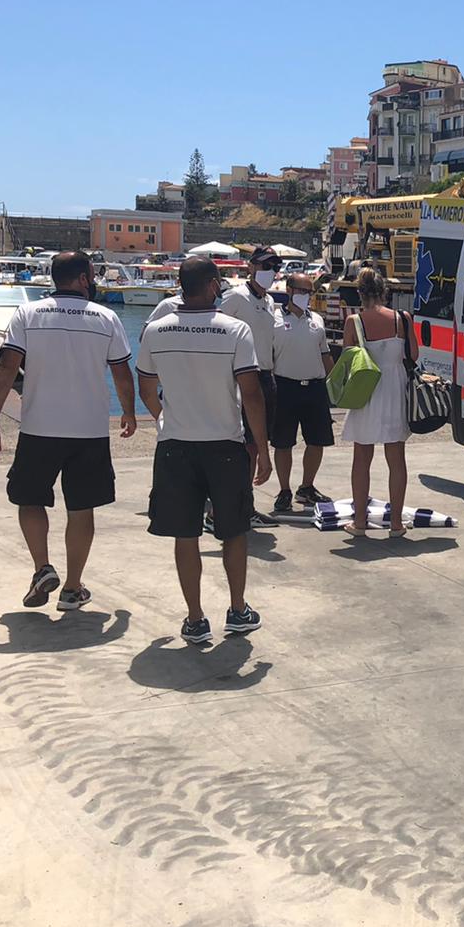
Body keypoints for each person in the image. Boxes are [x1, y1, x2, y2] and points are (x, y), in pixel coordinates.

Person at [0, 250, 136, 610]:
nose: (94, 281)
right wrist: (128, 411)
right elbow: (121, 372)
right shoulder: (106, 317)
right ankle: (72, 587)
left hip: (39, 428)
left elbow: (6, 368)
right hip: (89, 430)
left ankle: (41, 568)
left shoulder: (28, 313)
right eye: (93, 275)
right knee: (82, 509)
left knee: (29, 499)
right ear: (83, 279)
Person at [136, 256, 272, 645]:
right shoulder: (235, 331)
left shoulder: (157, 330)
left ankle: (195, 618)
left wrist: (164, 418)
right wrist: (260, 447)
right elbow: (251, 394)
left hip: (175, 446)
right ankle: (238, 609)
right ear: (213, 285)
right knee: (233, 531)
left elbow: (147, 388)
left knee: (185, 534)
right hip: (225, 446)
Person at [339, 267, 412, 536]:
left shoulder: (353, 322)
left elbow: (347, 360)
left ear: (360, 293)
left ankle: (359, 522)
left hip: (366, 391)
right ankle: (395, 524)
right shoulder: (402, 319)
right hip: (394, 390)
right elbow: (412, 354)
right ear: (385, 292)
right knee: (396, 459)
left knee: (362, 458)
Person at [213, 246, 283, 527]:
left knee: (254, 445)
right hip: (241, 376)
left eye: (274, 267)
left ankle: (246, 504)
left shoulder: (269, 301)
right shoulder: (236, 298)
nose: (271, 272)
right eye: (265, 266)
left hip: (266, 376)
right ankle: (222, 508)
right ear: (251, 267)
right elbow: (215, 327)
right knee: (238, 447)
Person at [269, 272, 335, 512]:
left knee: (317, 441)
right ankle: (284, 490)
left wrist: (337, 382)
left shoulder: (317, 319)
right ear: (289, 290)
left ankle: (307, 487)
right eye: (302, 291)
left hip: (315, 387)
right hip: (285, 387)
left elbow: (325, 354)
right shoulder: (273, 319)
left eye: (310, 292)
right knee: (283, 443)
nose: (307, 296)